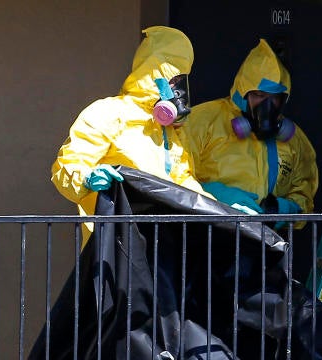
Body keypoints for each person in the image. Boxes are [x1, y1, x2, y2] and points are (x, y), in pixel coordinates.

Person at [51, 26, 211, 245]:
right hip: (116, 248)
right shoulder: (108, 113)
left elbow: (184, 184)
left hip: (163, 249)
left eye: (182, 81)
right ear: (154, 76)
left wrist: (221, 212)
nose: (179, 91)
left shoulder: (171, 132)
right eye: (173, 80)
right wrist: (87, 178)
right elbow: (67, 166)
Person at [179, 38, 318, 230]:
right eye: (259, 96)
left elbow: (304, 193)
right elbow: (173, 174)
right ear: (243, 93)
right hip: (209, 234)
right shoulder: (204, 120)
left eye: (275, 98)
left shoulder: (295, 141)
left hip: (265, 241)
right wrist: (216, 198)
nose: (267, 106)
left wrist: (283, 209)